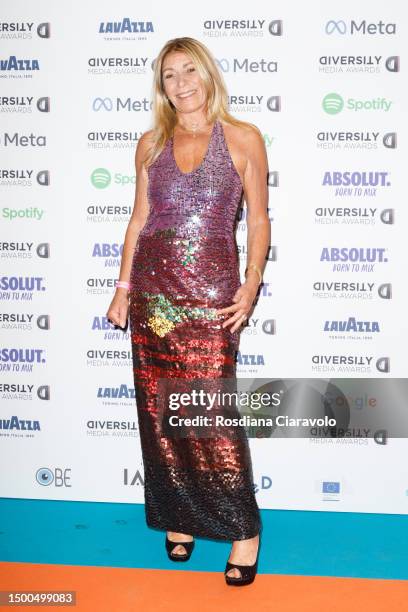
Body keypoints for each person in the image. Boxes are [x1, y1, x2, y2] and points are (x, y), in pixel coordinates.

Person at [106, 36, 270, 586]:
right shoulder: (150, 142)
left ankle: (244, 530)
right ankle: (180, 516)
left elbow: (260, 221)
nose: (181, 83)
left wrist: (250, 286)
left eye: (189, 70)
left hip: (212, 300)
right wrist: (122, 286)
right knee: (160, 412)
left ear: (208, 75)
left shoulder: (243, 137)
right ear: (162, 85)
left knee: (212, 414)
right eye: (170, 74)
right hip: (155, 298)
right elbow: (138, 221)